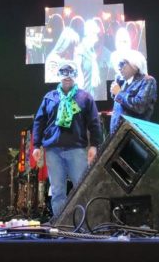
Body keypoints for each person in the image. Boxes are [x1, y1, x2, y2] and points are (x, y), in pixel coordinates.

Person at [32, 61, 102, 216]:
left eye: (71, 73)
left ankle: (83, 224)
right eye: (63, 73)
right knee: (57, 191)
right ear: (58, 75)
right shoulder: (50, 97)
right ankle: (61, 224)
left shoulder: (85, 97)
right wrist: (36, 145)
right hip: (53, 150)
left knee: (81, 188)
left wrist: (94, 145)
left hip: (76, 149)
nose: (67, 76)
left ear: (76, 75)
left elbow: (94, 122)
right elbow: (39, 122)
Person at [109, 50, 157, 135]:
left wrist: (119, 94)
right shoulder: (123, 83)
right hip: (118, 135)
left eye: (122, 64)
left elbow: (140, 107)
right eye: (118, 65)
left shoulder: (147, 81)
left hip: (135, 136)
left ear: (134, 64)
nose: (119, 68)